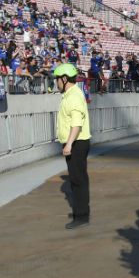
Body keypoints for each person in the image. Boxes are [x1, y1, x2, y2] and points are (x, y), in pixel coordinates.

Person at [54, 63, 91, 230]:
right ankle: (79, 211)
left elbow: (76, 123)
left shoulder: (74, 96)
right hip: (76, 143)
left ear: (64, 79)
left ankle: (81, 216)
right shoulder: (71, 94)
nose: (56, 83)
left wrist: (69, 144)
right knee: (78, 179)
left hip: (77, 143)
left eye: (57, 79)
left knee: (78, 181)